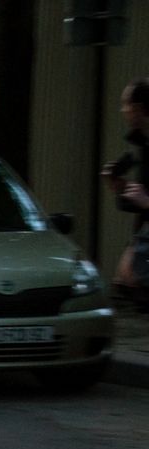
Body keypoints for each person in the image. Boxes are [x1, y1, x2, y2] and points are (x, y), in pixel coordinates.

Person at [107, 78, 149, 311]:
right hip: (143, 234)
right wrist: (119, 187)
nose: (123, 111)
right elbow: (138, 197)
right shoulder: (141, 144)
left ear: (139, 109)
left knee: (129, 281)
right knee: (125, 283)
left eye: (126, 105)